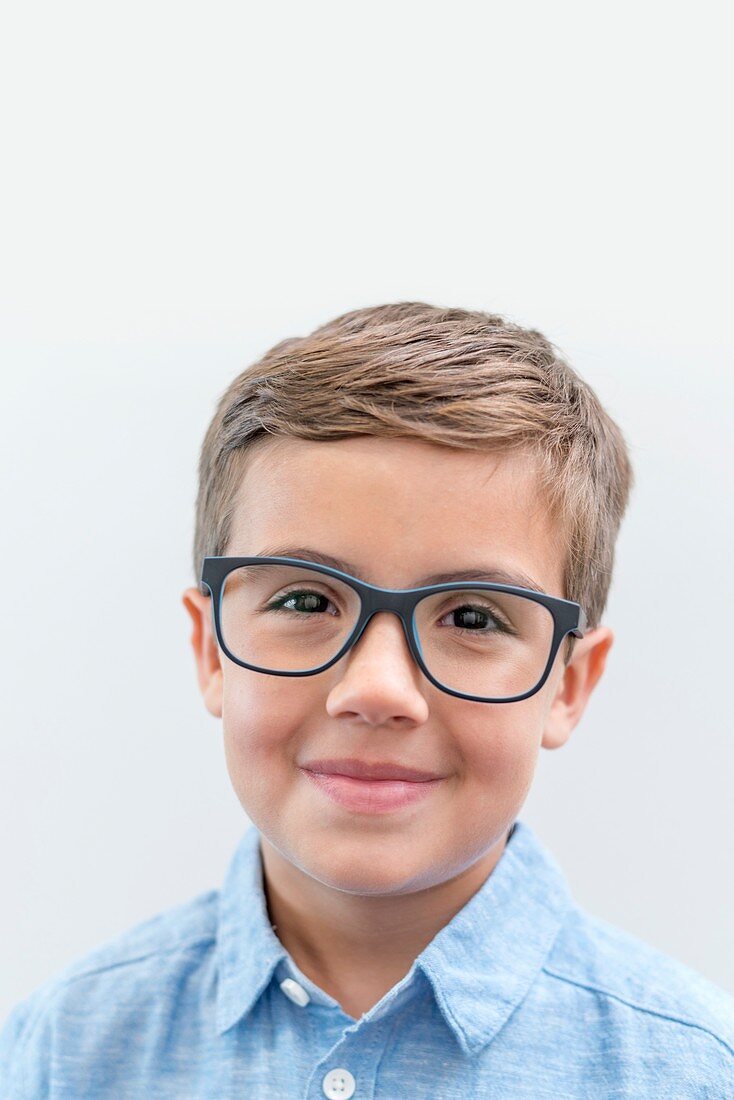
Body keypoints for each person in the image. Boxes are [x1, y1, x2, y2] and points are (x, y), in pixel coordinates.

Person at [2, 304, 732, 1098]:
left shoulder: (692, 1071)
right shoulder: (60, 1053)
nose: (378, 690)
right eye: (306, 603)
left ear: (569, 685)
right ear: (212, 650)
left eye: (473, 617)